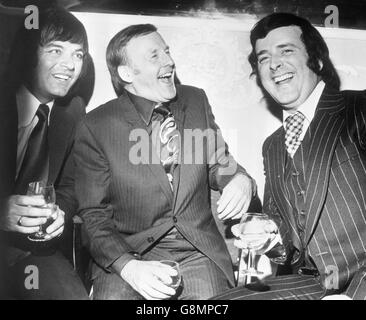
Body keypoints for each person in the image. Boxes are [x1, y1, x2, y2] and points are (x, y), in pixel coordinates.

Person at [74, 24, 256, 300]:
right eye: (154, 56)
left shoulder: (194, 101)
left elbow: (219, 162)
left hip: (197, 251)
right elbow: (93, 214)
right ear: (126, 73)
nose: (169, 61)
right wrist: (128, 266)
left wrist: (240, 179)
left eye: (167, 52)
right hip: (130, 252)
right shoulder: (95, 126)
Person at [212, 12, 366, 300]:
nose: (274, 64)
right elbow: (283, 242)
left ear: (317, 60)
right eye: (263, 58)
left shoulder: (359, 108)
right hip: (315, 283)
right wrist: (268, 239)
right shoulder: (272, 146)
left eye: (286, 51)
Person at [0, 6, 90, 299]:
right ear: (29, 53)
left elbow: (70, 186)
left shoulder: (72, 111)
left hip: (32, 251)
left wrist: (59, 214)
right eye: (55, 50)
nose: (69, 65)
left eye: (78, 55)